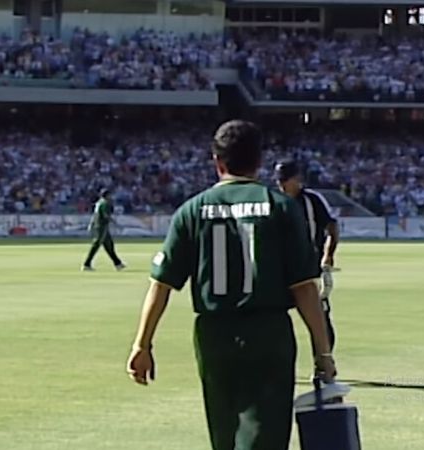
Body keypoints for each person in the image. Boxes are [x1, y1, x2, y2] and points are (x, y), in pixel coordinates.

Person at [126, 120, 336, 450]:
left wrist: (143, 344)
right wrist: (322, 351)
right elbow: (305, 289)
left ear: (217, 161)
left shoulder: (191, 211)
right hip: (269, 333)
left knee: (224, 434)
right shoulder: (281, 208)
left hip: (214, 334)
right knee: (265, 434)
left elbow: (161, 284)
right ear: (259, 160)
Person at [276, 159, 341, 351]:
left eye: (285, 179)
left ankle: (323, 366)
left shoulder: (312, 200)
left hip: (311, 269)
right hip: (282, 270)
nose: (281, 184)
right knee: (274, 319)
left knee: (319, 319)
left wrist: (328, 255)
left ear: (297, 179)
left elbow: (332, 227)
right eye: (279, 180)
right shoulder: (274, 202)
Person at [82, 189, 126, 271]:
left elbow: (95, 214)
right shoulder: (105, 203)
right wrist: (115, 223)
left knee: (109, 245)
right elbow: (106, 216)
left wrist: (91, 224)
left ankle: (118, 263)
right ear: (107, 195)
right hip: (102, 226)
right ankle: (86, 264)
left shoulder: (99, 202)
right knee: (96, 245)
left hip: (99, 225)